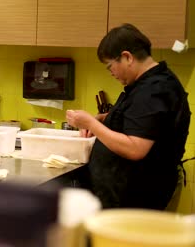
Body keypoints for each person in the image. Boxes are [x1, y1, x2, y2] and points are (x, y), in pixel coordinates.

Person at [66, 23, 191, 210]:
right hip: (121, 195)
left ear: (127, 57)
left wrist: (91, 123)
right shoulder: (149, 83)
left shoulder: (153, 90)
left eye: (110, 66)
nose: (111, 73)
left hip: (135, 199)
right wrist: (104, 119)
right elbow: (142, 120)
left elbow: (135, 148)